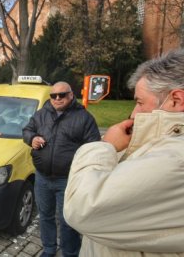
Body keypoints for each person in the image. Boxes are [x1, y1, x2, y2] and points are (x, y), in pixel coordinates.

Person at [64, 49, 184, 256]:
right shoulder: (163, 145)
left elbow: (82, 208)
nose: (134, 113)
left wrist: (105, 146)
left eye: (139, 102)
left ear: (176, 100)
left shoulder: (175, 159)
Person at [22, 82, 100, 257]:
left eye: (62, 95)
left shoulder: (84, 118)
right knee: (45, 216)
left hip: (68, 179)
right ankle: (49, 249)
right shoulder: (41, 114)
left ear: (71, 95)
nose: (57, 98)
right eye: (53, 95)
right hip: (42, 177)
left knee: (67, 220)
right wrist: (32, 138)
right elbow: (27, 130)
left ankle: (70, 252)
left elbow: (94, 147)